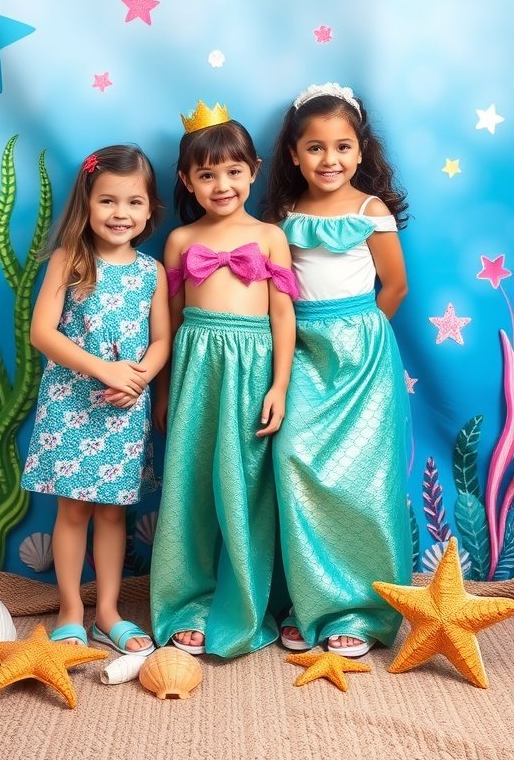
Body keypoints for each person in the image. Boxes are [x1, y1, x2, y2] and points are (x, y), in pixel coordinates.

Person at [265, 83, 412, 658]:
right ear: (295, 155)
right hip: (299, 350)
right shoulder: (282, 215)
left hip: (361, 357)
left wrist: (359, 334)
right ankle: (309, 603)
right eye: (316, 148)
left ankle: (357, 610)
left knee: (361, 480)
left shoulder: (370, 210)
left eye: (343, 147)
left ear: (361, 150)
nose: (331, 160)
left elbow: (395, 286)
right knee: (295, 463)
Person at [149, 101, 298, 658]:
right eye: (207, 174)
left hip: (254, 367)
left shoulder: (269, 237)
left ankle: (248, 602)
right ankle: (188, 600)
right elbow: (171, 319)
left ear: (254, 170)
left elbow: (283, 316)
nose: (222, 184)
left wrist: (279, 387)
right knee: (191, 485)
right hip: (196, 369)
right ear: (187, 179)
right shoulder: (181, 241)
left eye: (233, 171)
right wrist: (163, 391)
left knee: (247, 488)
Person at [21, 144, 171, 655]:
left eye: (133, 202)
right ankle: (69, 609)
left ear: (150, 209)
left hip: (123, 410)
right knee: (74, 511)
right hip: (71, 405)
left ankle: (107, 612)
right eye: (108, 201)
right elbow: (44, 332)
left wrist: (138, 378)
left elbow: (161, 340)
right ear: (87, 203)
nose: (120, 213)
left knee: (112, 513)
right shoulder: (70, 259)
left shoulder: (152, 272)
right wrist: (104, 368)